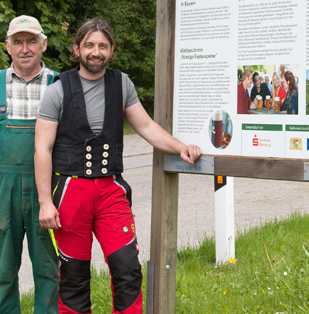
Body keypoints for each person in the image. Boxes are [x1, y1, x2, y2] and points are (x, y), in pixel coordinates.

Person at [34, 18, 202, 314]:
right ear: (76, 49)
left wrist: (180, 147)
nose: (95, 52)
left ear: (111, 50)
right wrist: (45, 202)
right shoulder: (57, 90)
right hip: (70, 192)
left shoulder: (121, 83)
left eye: (102, 45)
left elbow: (147, 126)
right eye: (89, 45)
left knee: (128, 268)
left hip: (111, 190)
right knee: (73, 277)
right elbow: (42, 149)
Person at [0, 15, 59, 314]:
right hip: (0, 188)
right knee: (3, 272)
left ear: (43, 44)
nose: (25, 48)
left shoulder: (59, 84)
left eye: (31, 41)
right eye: (17, 42)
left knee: (48, 268)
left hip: (46, 189)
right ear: (7, 47)